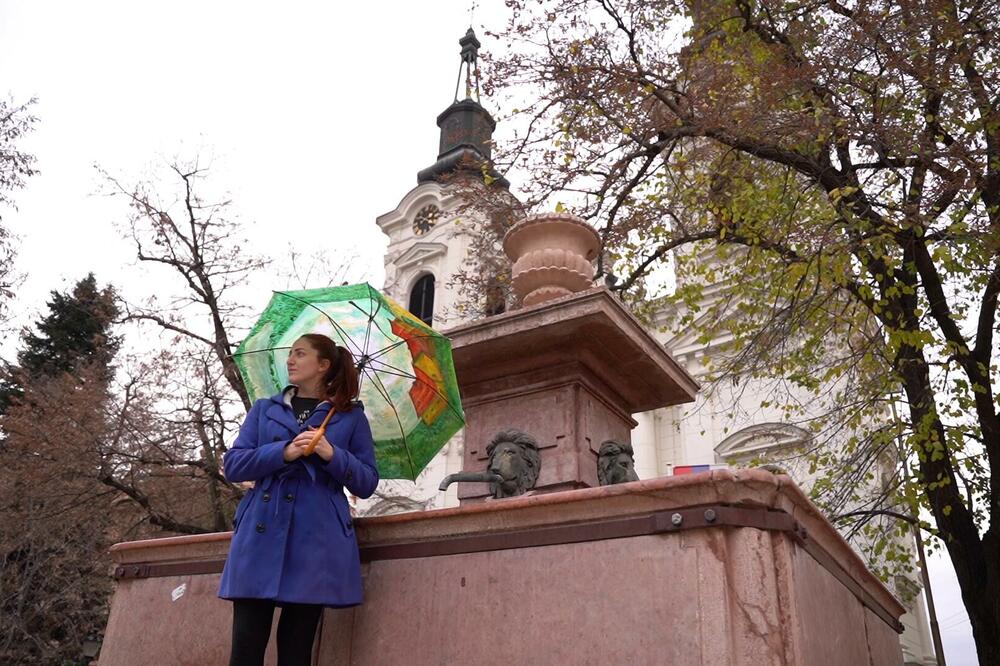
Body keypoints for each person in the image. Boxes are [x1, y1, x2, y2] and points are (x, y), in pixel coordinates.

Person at [218, 333, 379, 666]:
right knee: (245, 650)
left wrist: (333, 454)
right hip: (260, 533)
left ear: (323, 365)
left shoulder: (349, 417)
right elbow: (233, 464)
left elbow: (366, 482)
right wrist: (285, 451)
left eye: (300, 353)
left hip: (316, 539)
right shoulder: (264, 410)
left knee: (296, 652)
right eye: (290, 353)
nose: (290, 360)